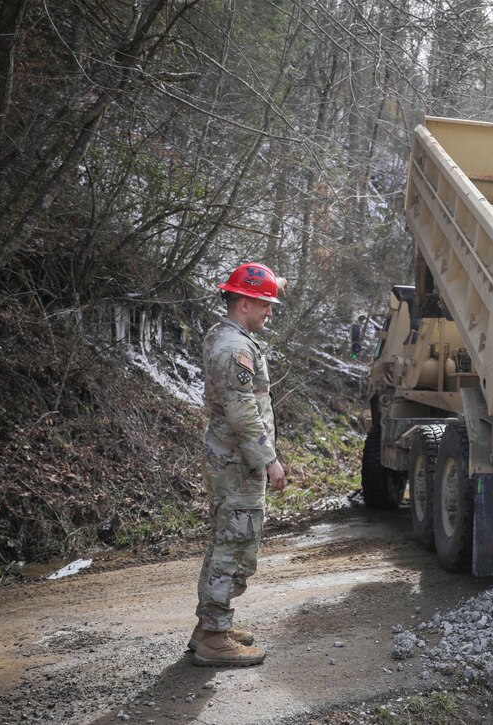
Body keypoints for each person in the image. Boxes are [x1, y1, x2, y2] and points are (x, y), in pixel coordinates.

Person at [188, 262, 287, 667]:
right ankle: (213, 638)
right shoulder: (235, 349)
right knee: (235, 545)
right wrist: (270, 461)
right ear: (244, 303)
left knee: (226, 541)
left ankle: (210, 626)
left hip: (229, 458)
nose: (270, 312)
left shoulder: (225, 335)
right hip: (238, 462)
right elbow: (243, 413)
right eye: (265, 304)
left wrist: (275, 281)